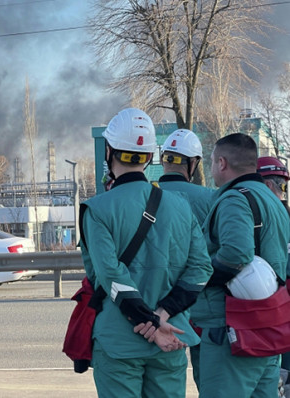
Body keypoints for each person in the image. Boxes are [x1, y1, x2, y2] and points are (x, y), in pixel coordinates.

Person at [81, 108, 212, 398]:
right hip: (171, 336)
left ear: (109, 151)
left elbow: (109, 275)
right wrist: (162, 316)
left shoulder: (97, 209)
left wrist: (151, 324)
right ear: (151, 156)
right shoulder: (180, 206)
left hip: (119, 341)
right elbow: (202, 269)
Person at [190, 134, 290, 398]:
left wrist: (198, 279)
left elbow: (236, 253)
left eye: (211, 162)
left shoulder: (234, 199)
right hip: (268, 327)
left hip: (233, 332)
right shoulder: (272, 200)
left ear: (221, 163)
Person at [156, 129, 214, 389]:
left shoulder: (145, 196)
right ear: (193, 164)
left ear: (163, 160)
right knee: (209, 383)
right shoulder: (211, 198)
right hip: (203, 305)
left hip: (156, 309)